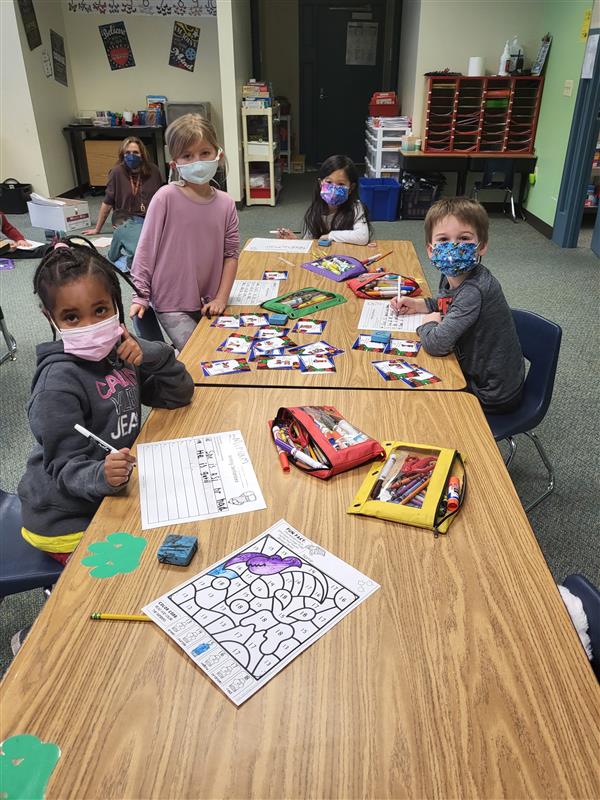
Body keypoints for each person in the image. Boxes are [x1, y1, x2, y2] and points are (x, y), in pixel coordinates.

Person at [17, 238, 194, 565]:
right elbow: (63, 469)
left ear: (116, 304)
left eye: (100, 310)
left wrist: (149, 352)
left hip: (110, 486)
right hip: (63, 515)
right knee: (132, 572)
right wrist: (101, 475)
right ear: (51, 318)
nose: (90, 326)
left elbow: (178, 394)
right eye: (72, 317)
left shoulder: (119, 353)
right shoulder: (55, 387)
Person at [390, 197, 524, 414]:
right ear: (431, 250)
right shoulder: (451, 275)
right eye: (443, 240)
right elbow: (447, 301)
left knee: (417, 406)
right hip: (476, 368)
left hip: (492, 393)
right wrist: (419, 304)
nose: (453, 248)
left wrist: (426, 325)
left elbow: (436, 344)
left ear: (482, 246)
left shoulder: (474, 290)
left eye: (463, 238)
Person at [129, 114, 239, 351]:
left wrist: (221, 297)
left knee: (227, 351)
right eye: (187, 156)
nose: (197, 161)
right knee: (198, 355)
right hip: (171, 301)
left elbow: (231, 255)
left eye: (204, 153)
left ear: (217, 154)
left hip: (209, 300)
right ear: (174, 163)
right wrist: (140, 294)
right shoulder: (165, 197)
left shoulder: (227, 203)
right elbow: (146, 249)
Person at [277, 155, 372, 245]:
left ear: (351, 188)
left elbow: (362, 237)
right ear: (320, 183)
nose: (334, 189)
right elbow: (310, 243)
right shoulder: (315, 211)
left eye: (341, 184)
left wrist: (331, 236)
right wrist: (296, 241)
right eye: (329, 182)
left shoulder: (356, 208)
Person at [83, 137, 163, 235]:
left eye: (135, 152)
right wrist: (97, 229)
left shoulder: (153, 170)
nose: (131, 156)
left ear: (142, 154)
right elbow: (107, 203)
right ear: (123, 154)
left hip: (150, 216)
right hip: (126, 218)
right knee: (143, 233)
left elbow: (162, 198)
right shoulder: (116, 172)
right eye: (128, 153)